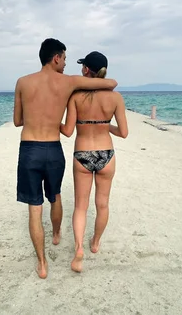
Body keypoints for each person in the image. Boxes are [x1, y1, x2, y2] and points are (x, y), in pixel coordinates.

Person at [13, 39, 119, 279]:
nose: (66, 64)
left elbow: (18, 121)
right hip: (53, 148)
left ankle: (42, 264)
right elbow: (110, 83)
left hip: (29, 148)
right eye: (65, 59)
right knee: (55, 195)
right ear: (56, 58)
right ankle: (57, 234)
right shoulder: (68, 82)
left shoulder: (22, 82)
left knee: (34, 208)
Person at [60, 51, 128, 273]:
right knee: (103, 204)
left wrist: (52, 123)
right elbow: (124, 132)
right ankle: (95, 242)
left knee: (81, 206)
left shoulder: (76, 96)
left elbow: (68, 131)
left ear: (87, 70)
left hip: (82, 154)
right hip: (106, 154)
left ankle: (79, 249)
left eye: (83, 67)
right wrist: (103, 125)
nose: (81, 70)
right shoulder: (116, 98)